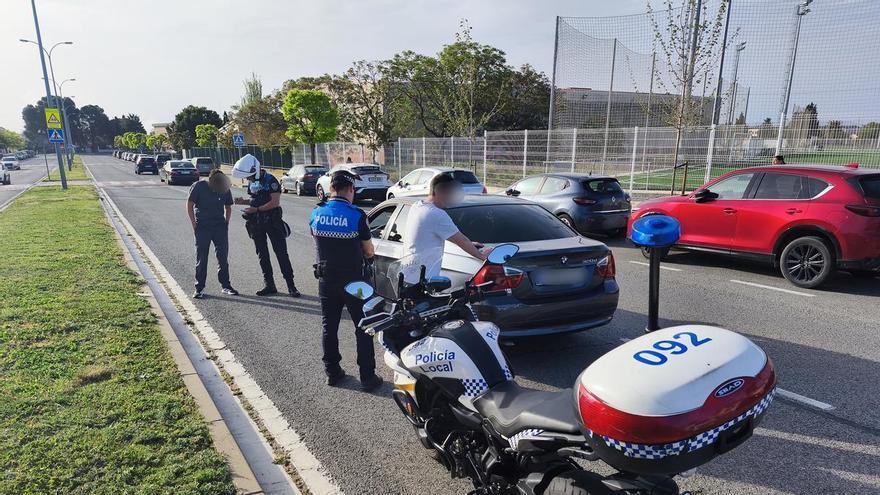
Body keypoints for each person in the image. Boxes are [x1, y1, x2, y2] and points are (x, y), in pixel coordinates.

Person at [309, 170, 381, 390]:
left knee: (329, 326)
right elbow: (368, 251)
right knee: (363, 326)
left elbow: (316, 239)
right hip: (355, 282)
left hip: (326, 279)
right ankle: (367, 377)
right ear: (350, 189)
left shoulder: (317, 212)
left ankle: (333, 373)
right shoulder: (357, 215)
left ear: (331, 189)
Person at [231, 154, 301, 297]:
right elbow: (255, 199)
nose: (248, 179)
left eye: (249, 176)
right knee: (262, 254)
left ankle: (291, 286)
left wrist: (256, 209)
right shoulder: (251, 182)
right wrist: (243, 202)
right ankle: (269, 284)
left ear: (255, 170)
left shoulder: (270, 180)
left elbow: (274, 202)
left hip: (272, 221)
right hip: (256, 223)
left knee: (281, 253)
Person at [400, 172, 486, 284]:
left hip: (408, 276)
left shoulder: (417, 206)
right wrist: (482, 255)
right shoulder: (436, 214)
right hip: (422, 281)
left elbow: (440, 235)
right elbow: (462, 240)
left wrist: (470, 244)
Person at [187, 169, 237, 299]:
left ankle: (226, 285)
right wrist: (194, 224)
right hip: (203, 226)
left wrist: (226, 223)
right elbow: (190, 204)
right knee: (202, 258)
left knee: (222, 257)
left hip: (219, 227)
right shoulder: (199, 186)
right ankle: (199, 288)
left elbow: (228, 206)